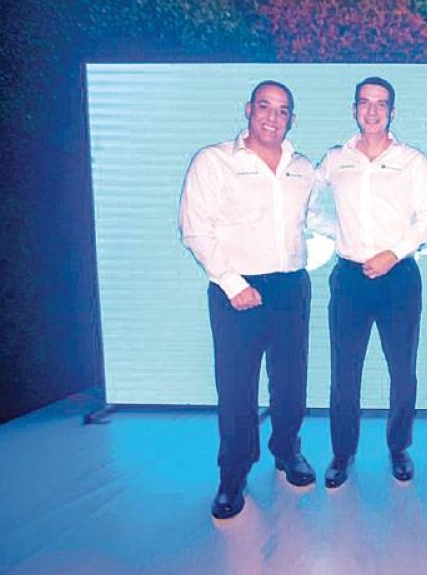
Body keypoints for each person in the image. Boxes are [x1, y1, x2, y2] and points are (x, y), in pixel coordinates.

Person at [179, 80, 329, 519]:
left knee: (291, 382)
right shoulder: (214, 161)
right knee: (236, 388)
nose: (272, 117)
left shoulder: (303, 168)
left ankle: (287, 451)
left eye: (282, 110)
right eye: (265, 106)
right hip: (236, 289)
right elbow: (195, 228)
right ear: (248, 109)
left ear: (292, 119)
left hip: (291, 287)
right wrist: (232, 283)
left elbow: (319, 218)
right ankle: (233, 475)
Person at [316, 77, 427, 488]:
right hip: (350, 279)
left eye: (381, 103)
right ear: (354, 109)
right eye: (364, 103)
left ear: (392, 111)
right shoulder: (336, 160)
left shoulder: (412, 161)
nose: (372, 111)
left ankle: (399, 448)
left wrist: (393, 252)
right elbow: (307, 205)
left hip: (399, 277)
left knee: (402, 370)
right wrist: (340, 233)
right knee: (344, 371)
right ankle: (342, 453)